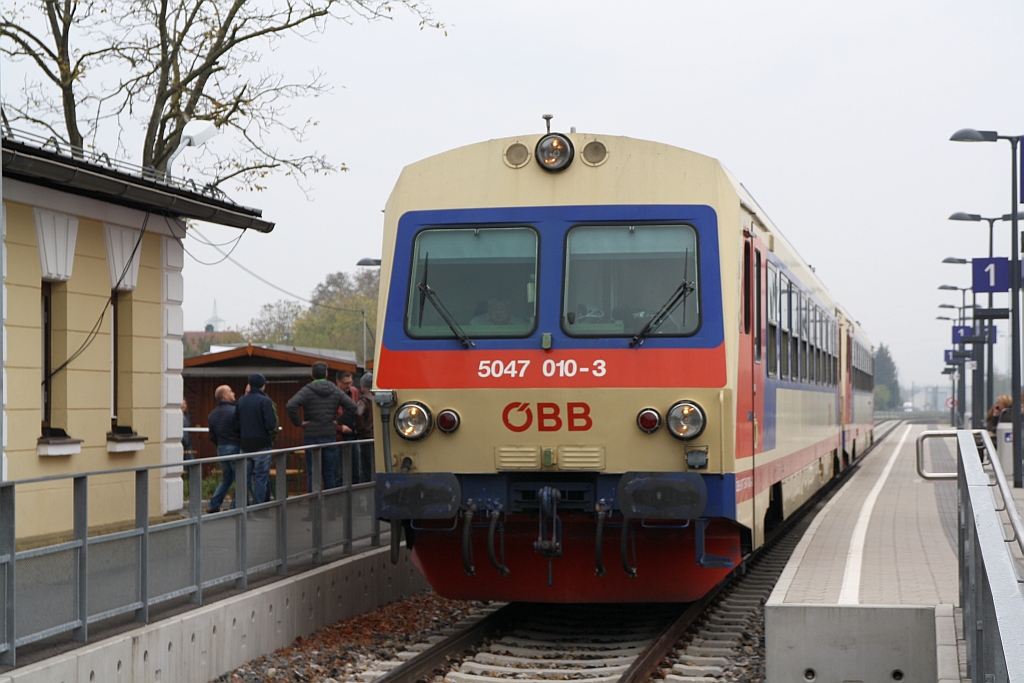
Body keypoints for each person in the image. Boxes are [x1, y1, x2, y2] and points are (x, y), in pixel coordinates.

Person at [286, 361, 357, 492]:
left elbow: (290, 406)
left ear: (312, 375)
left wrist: (299, 423)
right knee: (329, 473)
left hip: (312, 434)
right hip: (329, 434)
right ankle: (331, 506)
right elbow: (352, 406)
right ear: (326, 374)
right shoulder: (334, 390)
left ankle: (314, 506)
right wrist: (338, 421)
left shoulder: (307, 390)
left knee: (313, 473)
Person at [234, 373, 278, 504]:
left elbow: (235, 424)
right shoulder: (265, 401)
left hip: (245, 444)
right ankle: (259, 509)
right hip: (262, 444)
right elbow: (271, 424)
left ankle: (242, 507)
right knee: (260, 478)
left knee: (244, 478)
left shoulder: (241, 401)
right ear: (263, 385)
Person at [206, 385, 241, 513]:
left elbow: (212, 436)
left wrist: (220, 443)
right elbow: (239, 429)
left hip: (221, 448)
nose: (234, 393)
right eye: (231, 391)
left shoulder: (212, 415)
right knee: (240, 478)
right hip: (235, 447)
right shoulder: (235, 411)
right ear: (224, 396)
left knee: (227, 478)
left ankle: (214, 504)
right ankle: (238, 506)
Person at [334, 370, 360, 484]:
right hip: (338, 436)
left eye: (350, 382)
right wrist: (339, 427)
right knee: (338, 472)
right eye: (346, 383)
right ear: (338, 382)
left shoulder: (354, 391)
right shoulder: (332, 395)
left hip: (353, 434)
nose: (348, 386)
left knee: (356, 469)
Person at [354, 372, 375, 483]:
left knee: (367, 469)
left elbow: (359, 413)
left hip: (367, 438)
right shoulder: (379, 398)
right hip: (378, 439)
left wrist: (359, 430)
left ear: (363, 386)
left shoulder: (364, 400)